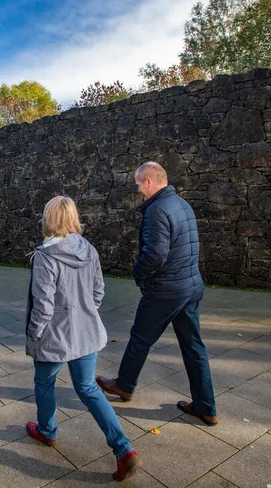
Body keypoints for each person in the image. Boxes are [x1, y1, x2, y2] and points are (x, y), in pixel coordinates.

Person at [26, 196, 142, 482]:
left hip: (54, 337)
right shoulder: (88, 249)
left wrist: (34, 336)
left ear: (48, 218)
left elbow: (42, 306)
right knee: (88, 388)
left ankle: (47, 430)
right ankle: (124, 449)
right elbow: (98, 290)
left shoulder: (45, 256)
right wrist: (84, 313)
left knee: (44, 382)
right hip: (87, 332)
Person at [96, 162, 218, 426]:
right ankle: (206, 407)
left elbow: (155, 254)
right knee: (194, 347)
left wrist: (137, 273)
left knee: (140, 338)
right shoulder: (182, 204)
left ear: (149, 182)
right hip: (189, 287)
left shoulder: (157, 211)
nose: (139, 189)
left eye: (139, 184)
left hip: (166, 291)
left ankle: (124, 385)